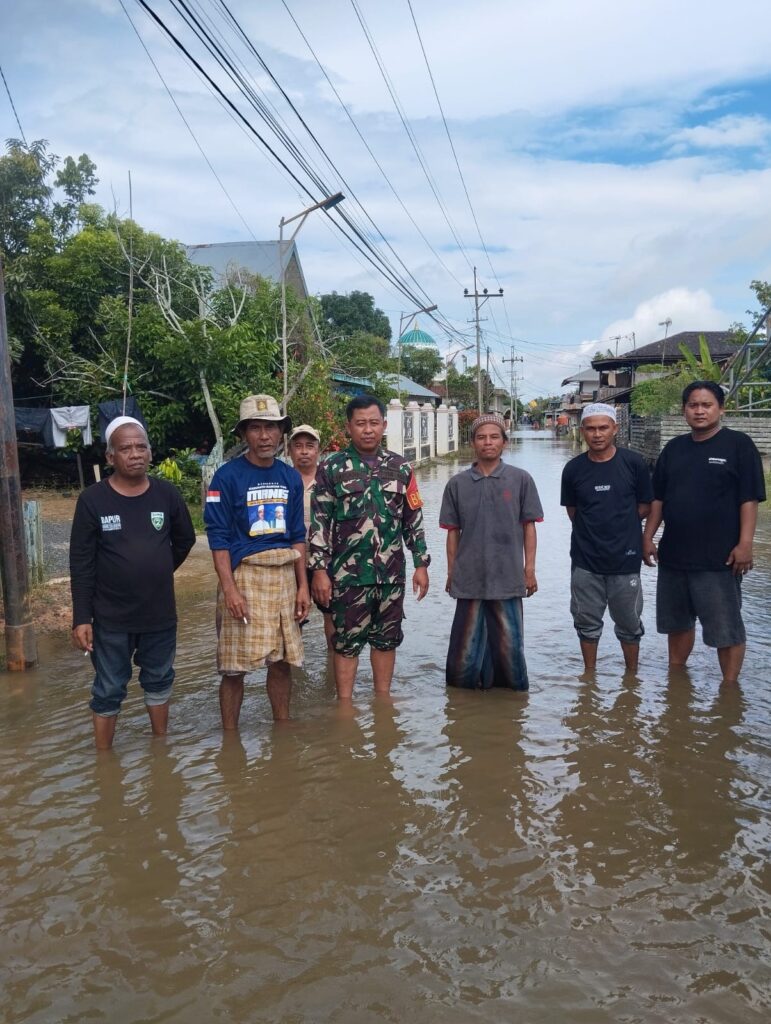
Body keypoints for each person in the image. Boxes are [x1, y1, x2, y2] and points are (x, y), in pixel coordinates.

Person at [70, 416, 196, 749]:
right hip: (110, 618)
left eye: (141, 446)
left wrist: (157, 569)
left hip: (159, 614)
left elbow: (185, 540)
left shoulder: (166, 494)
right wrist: (82, 618)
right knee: (109, 688)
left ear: (150, 453)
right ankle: (104, 760)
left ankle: (160, 749)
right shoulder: (92, 500)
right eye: (125, 448)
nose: (135, 454)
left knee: (159, 681)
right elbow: (80, 563)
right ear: (110, 457)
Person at [642, 381, 765, 684]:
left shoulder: (739, 445)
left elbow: (748, 499)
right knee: (678, 625)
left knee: (726, 628)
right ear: (684, 410)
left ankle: (729, 688)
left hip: (719, 559)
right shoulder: (674, 449)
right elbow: (658, 499)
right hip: (674, 557)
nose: (699, 410)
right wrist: (647, 537)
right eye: (693, 405)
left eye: (706, 404)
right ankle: (677, 683)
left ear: (721, 408)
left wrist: (745, 544)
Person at [308, 395, 430, 699]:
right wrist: (319, 571)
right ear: (349, 427)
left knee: (386, 641)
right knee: (346, 643)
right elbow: (319, 523)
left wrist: (421, 564)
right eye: (360, 423)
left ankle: (382, 701)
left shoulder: (401, 468)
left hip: (391, 576)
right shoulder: (331, 468)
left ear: (384, 425)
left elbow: (413, 518)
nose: (367, 429)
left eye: (374, 422)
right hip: (347, 577)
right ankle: (345, 706)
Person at [204, 394, 310, 726]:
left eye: (271, 428)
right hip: (244, 576)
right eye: (256, 428)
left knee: (281, 662)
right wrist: (230, 590)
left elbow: (297, 535)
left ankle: (282, 727)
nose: (264, 436)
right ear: (244, 435)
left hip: (284, 577)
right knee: (234, 667)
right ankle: (230, 738)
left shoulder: (290, 477)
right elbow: (218, 537)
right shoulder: (225, 477)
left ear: (282, 433)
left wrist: (303, 586)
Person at [439, 413, 543, 690]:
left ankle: (509, 702)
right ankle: (463, 703)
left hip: (508, 577)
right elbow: (453, 533)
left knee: (509, 647)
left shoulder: (521, 480)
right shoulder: (457, 484)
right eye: (481, 437)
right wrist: (452, 573)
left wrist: (529, 570)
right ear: (472, 442)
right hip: (469, 576)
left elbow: (529, 527)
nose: (488, 442)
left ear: (505, 443)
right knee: (463, 652)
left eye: (494, 437)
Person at [560, 402, 652, 673]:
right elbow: (574, 511)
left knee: (629, 622)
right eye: (590, 429)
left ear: (615, 429)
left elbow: (645, 506)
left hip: (626, 560)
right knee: (586, 621)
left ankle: (631, 677)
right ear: (582, 431)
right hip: (585, 560)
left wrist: (623, 529)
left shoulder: (633, 463)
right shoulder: (574, 469)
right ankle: (589, 676)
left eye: (603, 428)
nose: (597, 434)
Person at [288, 423, 335, 648]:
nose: (304, 451)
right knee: (293, 616)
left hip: (326, 559)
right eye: (298, 446)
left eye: (309, 446)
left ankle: (334, 670)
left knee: (332, 614)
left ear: (318, 450)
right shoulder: (283, 481)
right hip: (291, 559)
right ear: (290, 451)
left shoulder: (331, 480)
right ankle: (295, 673)